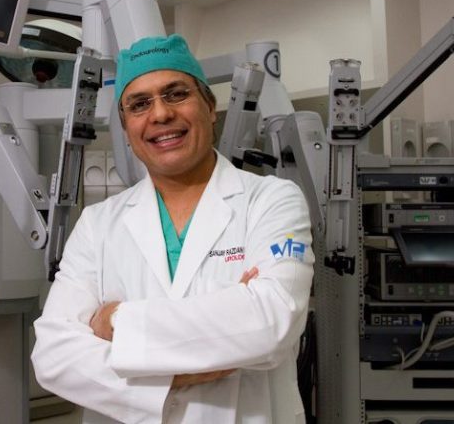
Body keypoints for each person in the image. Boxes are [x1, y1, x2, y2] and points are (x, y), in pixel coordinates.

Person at [31, 34, 314, 424]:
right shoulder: (98, 224)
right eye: (139, 104)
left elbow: (270, 323)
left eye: (176, 94)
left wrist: (114, 321)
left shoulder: (272, 201)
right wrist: (176, 376)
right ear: (126, 128)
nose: (161, 114)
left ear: (210, 107)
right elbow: (53, 357)